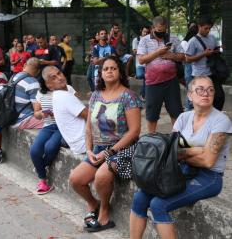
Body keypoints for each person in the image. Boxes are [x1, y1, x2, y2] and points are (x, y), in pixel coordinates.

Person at [130, 76, 232, 239]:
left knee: (158, 204)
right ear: (190, 95)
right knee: (139, 197)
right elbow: (172, 152)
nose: (206, 93)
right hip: (181, 170)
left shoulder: (221, 120)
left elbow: (208, 161)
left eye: (210, 89)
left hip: (209, 177)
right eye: (200, 89)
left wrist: (183, 154)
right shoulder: (184, 118)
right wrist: (198, 150)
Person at [71, 56, 142, 232]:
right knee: (75, 180)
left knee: (101, 177)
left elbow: (134, 132)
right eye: (105, 69)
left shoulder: (129, 96)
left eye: (113, 68)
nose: (109, 71)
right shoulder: (95, 95)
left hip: (123, 148)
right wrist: (88, 150)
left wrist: (109, 152)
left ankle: (104, 210)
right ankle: (92, 204)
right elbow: (88, 127)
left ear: (120, 72)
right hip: (98, 150)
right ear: (100, 74)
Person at [137, 16, 184, 133]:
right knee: (152, 113)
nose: (161, 33)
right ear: (153, 28)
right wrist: (158, 52)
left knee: (176, 111)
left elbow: (183, 56)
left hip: (171, 81)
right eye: (159, 31)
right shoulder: (144, 40)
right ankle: (151, 138)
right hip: (153, 82)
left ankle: (176, 139)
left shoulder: (173, 38)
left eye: (163, 31)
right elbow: (141, 60)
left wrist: (171, 56)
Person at [30, 76, 76, 195]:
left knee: (50, 147)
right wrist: (41, 113)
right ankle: (43, 182)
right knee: (34, 151)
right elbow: (36, 113)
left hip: (63, 126)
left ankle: (41, 168)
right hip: (49, 126)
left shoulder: (68, 89)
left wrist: (61, 113)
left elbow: (77, 109)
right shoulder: (41, 93)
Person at [43, 66, 88, 154]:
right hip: (85, 144)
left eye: (59, 73)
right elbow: (91, 116)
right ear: (49, 85)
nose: (59, 78)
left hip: (79, 144)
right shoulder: (65, 96)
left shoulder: (59, 95)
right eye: (54, 78)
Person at [185, 17, 224, 111]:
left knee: (219, 97)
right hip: (199, 75)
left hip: (212, 72)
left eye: (209, 28)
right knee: (201, 100)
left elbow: (215, 49)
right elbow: (187, 59)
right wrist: (204, 54)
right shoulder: (193, 41)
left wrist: (218, 50)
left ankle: (213, 117)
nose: (208, 31)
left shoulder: (212, 37)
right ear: (199, 27)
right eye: (206, 28)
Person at [10, 57, 43, 130]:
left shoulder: (14, 77)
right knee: (52, 123)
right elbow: (37, 109)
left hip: (10, 118)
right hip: (22, 120)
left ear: (24, 65)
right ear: (38, 71)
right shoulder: (33, 83)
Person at [181, 23, 198, 110]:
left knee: (192, 86)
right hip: (190, 64)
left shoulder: (186, 41)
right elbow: (187, 56)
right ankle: (189, 107)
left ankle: (191, 107)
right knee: (190, 86)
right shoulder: (187, 41)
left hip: (194, 65)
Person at [132, 26, 151, 100]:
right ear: (141, 31)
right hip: (139, 63)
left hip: (147, 63)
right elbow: (134, 51)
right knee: (140, 75)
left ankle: (143, 95)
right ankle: (143, 94)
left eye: (147, 32)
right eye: (144, 31)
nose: (145, 33)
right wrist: (143, 50)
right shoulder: (136, 40)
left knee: (146, 78)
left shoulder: (149, 40)